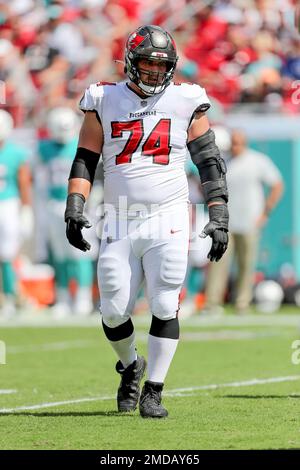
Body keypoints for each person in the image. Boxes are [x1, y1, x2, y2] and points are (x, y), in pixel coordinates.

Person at [64, 25, 229, 418]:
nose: (155, 73)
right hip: (119, 217)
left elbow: (208, 159)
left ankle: (154, 389)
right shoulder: (104, 98)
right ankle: (131, 366)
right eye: (147, 65)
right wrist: (74, 203)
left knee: (165, 299)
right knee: (113, 309)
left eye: (161, 66)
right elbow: (86, 156)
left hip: (169, 214)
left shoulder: (186, 99)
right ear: (130, 63)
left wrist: (219, 210)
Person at [204, 129, 283, 315]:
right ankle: (212, 303)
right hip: (226, 223)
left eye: (238, 142)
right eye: (233, 142)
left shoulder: (257, 161)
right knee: (218, 262)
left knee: (246, 264)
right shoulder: (224, 162)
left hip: (249, 221)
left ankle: (242, 303)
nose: (235, 146)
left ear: (245, 143)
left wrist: (265, 213)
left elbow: (277, 185)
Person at [38, 107, 94, 317]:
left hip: (80, 205)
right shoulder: (44, 148)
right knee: (59, 254)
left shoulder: (81, 146)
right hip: (53, 204)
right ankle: (62, 296)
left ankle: (83, 296)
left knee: (80, 252)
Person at [0, 109, 32, 316]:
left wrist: (26, 209)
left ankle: (11, 296)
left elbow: (23, 183)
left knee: (6, 254)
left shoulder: (15, 152)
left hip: (8, 205)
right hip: (7, 205)